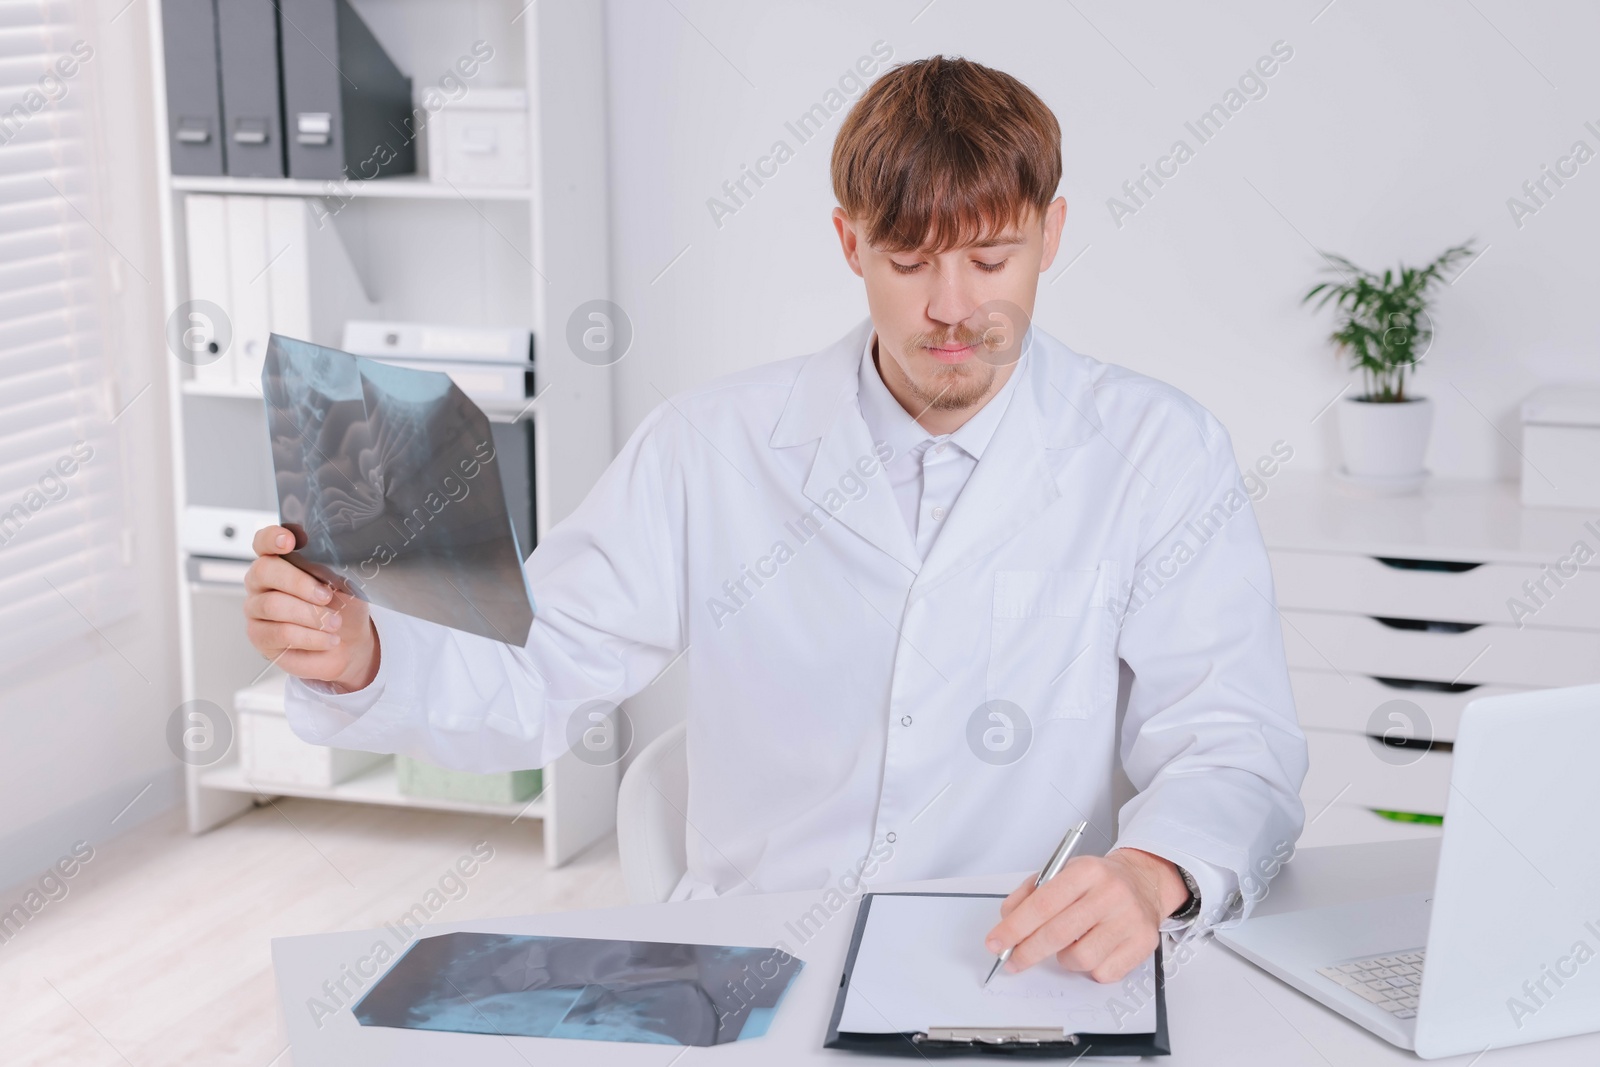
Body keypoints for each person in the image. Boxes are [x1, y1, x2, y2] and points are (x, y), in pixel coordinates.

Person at [244, 55, 1307, 985]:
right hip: (756, 967)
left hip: (1021, 963)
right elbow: (544, 662)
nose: (949, 307)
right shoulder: (710, 447)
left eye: (990, 258)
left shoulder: (1157, 451)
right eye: (907, 259)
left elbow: (1231, 739)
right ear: (849, 243)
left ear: (1052, 235)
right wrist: (361, 652)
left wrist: (1151, 870)